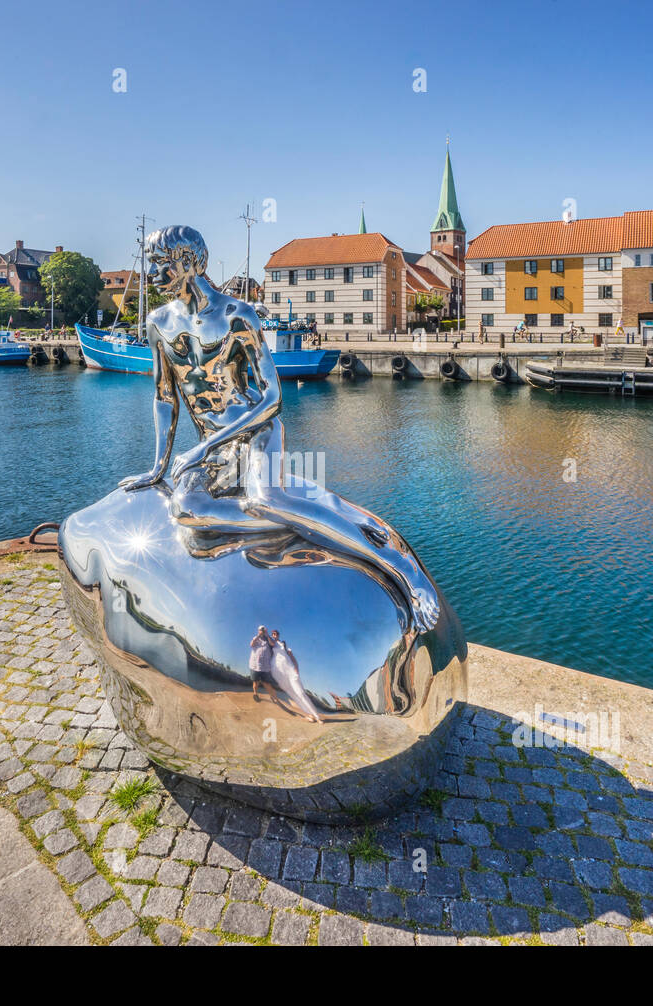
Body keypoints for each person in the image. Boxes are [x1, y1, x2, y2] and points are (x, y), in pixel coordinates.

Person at [118, 225, 441, 633]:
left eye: (159, 263)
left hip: (255, 433)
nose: (150, 273)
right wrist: (157, 468)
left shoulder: (238, 315)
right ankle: (318, 513)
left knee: (265, 502)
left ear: (185, 262)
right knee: (186, 509)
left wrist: (202, 449)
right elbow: (165, 396)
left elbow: (272, 400)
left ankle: (397, 566)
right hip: (214, 449)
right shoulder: (157, 322)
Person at [269, 630, 320, 723]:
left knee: (300, 692)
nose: (274, 635)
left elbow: (292, 658)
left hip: (290, 670)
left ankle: (316, 716)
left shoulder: (284, 645)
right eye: (272, 634)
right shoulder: (271, 644)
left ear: (278, 634)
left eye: (275, 634)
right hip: (279, 671)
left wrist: (296, 668)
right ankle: (310, 714)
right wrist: (266, 635)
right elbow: (271, 644)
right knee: (293, 694)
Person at [248, 626, 275, 703]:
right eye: (261, 630)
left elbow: (272, 644)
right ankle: (255, 694)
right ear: (258, 630)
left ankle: (272, 696)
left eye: (263, 630)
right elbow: (251, 644)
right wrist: (259, 635)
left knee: (267, 683)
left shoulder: (268, 640)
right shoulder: (256, 638)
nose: (262, 631)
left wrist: (267, 635)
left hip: (265, 666)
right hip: (255, 664)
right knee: (255, 682)